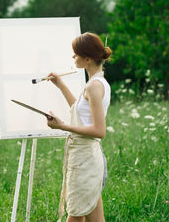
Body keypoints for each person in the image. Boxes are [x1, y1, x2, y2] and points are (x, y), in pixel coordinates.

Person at [46, 32, 112, 222]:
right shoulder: (97, 83)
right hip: (87, 157)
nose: (73, 57)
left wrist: (62, 126)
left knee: (75, 215)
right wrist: (60, 85)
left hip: (86, 160)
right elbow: (81, 114)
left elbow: (99, 130)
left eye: (76, 54)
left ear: (88, 59)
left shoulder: (94, 86)